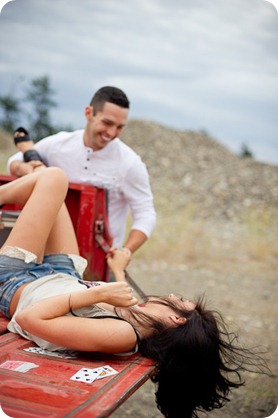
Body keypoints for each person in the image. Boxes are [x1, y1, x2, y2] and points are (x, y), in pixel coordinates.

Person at [0, 168, 268, 418]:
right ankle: (28, 170)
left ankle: (23, 178)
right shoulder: (139, 321)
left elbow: (29, 319)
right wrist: (116, 271)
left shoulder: (123, 336)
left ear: (178, 319)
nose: (174, 295)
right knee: (51, 183)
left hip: (16, 282)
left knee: (54, 179)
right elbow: (119, 302)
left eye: (181, 301)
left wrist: (97, 295)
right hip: (61, 277)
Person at [7, 86, 156, 256]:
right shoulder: (58, 144)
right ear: (88, 113)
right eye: (107, 123)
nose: (112, 133)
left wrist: (126, 251)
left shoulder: (129, 163)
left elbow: (146, 213)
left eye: (119, 127)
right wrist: (27, 169)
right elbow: (13, 161)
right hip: (46, 253)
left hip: (98, 260)